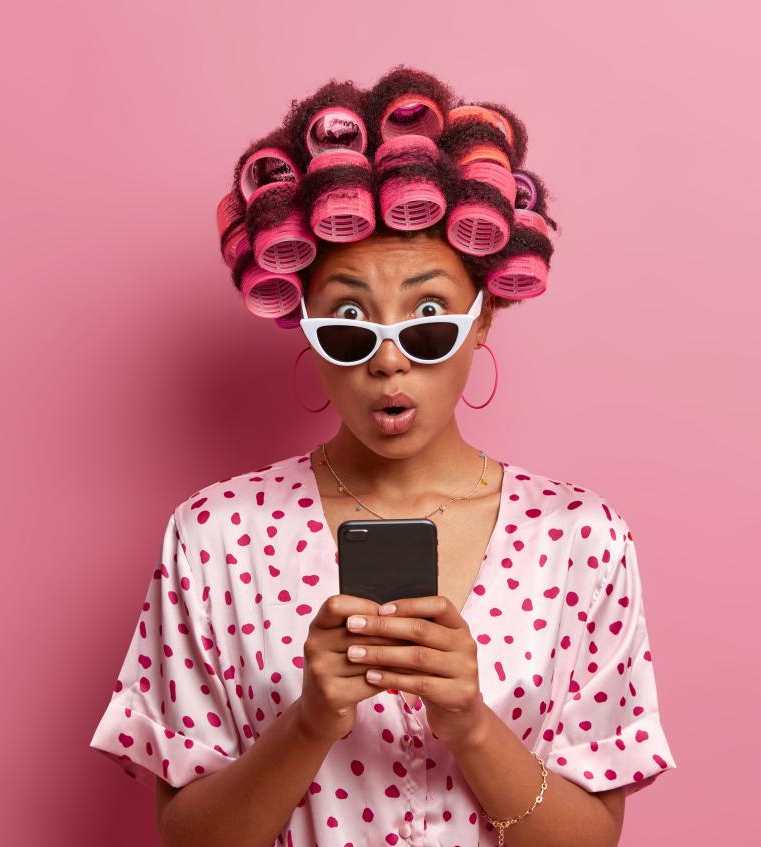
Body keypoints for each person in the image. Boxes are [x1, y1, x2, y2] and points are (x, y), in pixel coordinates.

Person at [89, 64, 677, 847]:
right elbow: (188, 838)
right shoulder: (215, 538)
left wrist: (471, 723)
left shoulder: (579, 539)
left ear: (483, 317)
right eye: (349, 325)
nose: (389, 362)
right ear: (305, 327)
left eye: (428, 319)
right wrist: (309, 722)